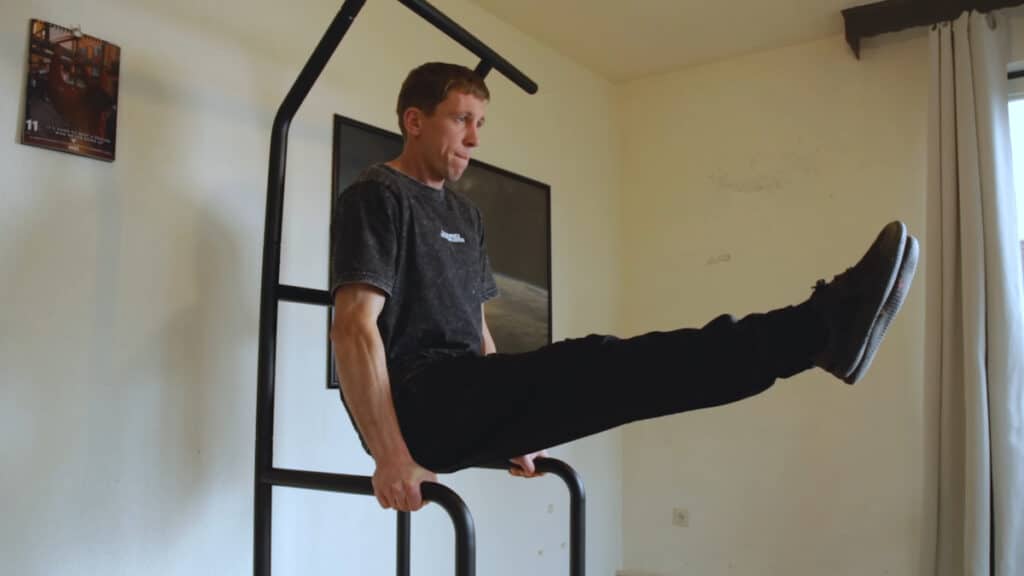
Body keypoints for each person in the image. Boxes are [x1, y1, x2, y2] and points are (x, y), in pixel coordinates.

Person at [329, 62, 919, 513]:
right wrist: (390, 456)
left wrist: (513, 431)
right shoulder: (377, 196)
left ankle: (818, 334)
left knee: (627, 373)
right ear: (414, 121)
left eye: (480, 124)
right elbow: (354, 326)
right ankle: (819, 327)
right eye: (462, 120)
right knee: (603, 364)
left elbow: (476, 327)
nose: (475, 139)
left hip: (468, 394)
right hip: (420, 404)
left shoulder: (465, 216)